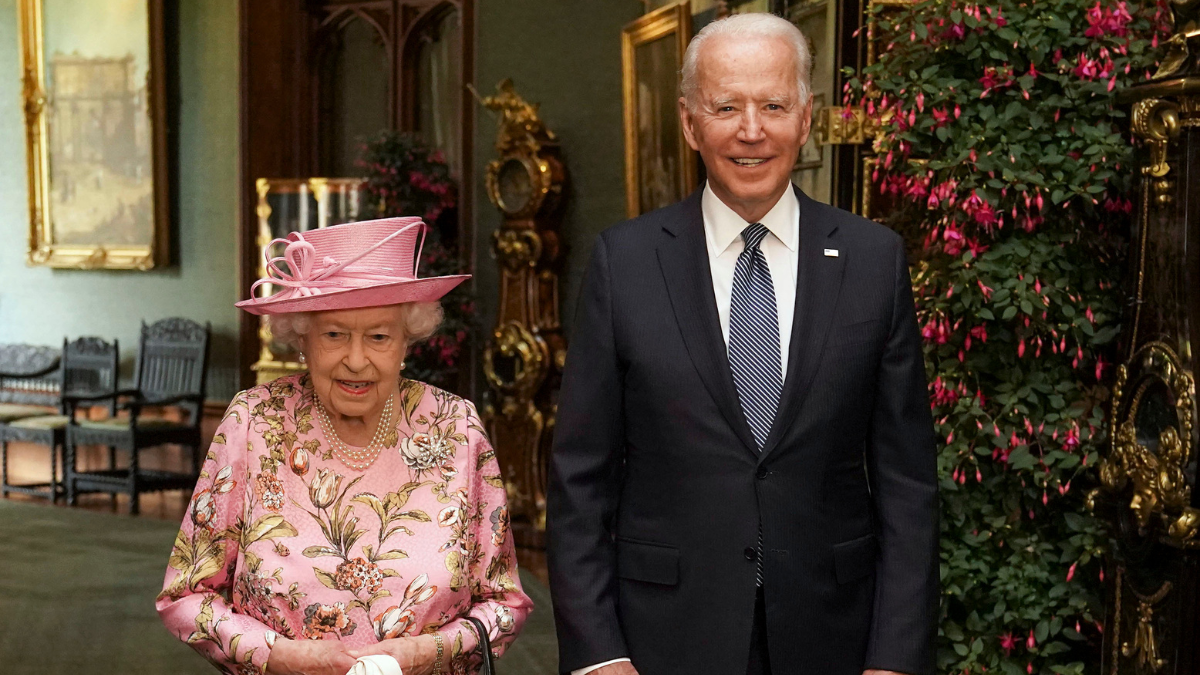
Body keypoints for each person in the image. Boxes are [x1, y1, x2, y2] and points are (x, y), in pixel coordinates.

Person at [546, 13, 937, 675]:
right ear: (689, 122)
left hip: (834, 640)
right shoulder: (626, 262)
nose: (751, 130)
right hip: (661, 642)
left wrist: (895, 657)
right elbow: (579, 479)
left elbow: (907, 484)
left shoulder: (873, 260)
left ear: (806, 118)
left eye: (774, 105)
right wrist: (598, 655)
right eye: (726, 106)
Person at [157, 217, 532, 675]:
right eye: (335, 335)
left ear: (405, 343)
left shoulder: (456, 427)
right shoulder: (254, 423)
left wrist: (427, 654)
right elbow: (186, 596)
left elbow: (504, 605)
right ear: (302, 340)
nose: (357, 361)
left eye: (378, 336)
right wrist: (276, 656)